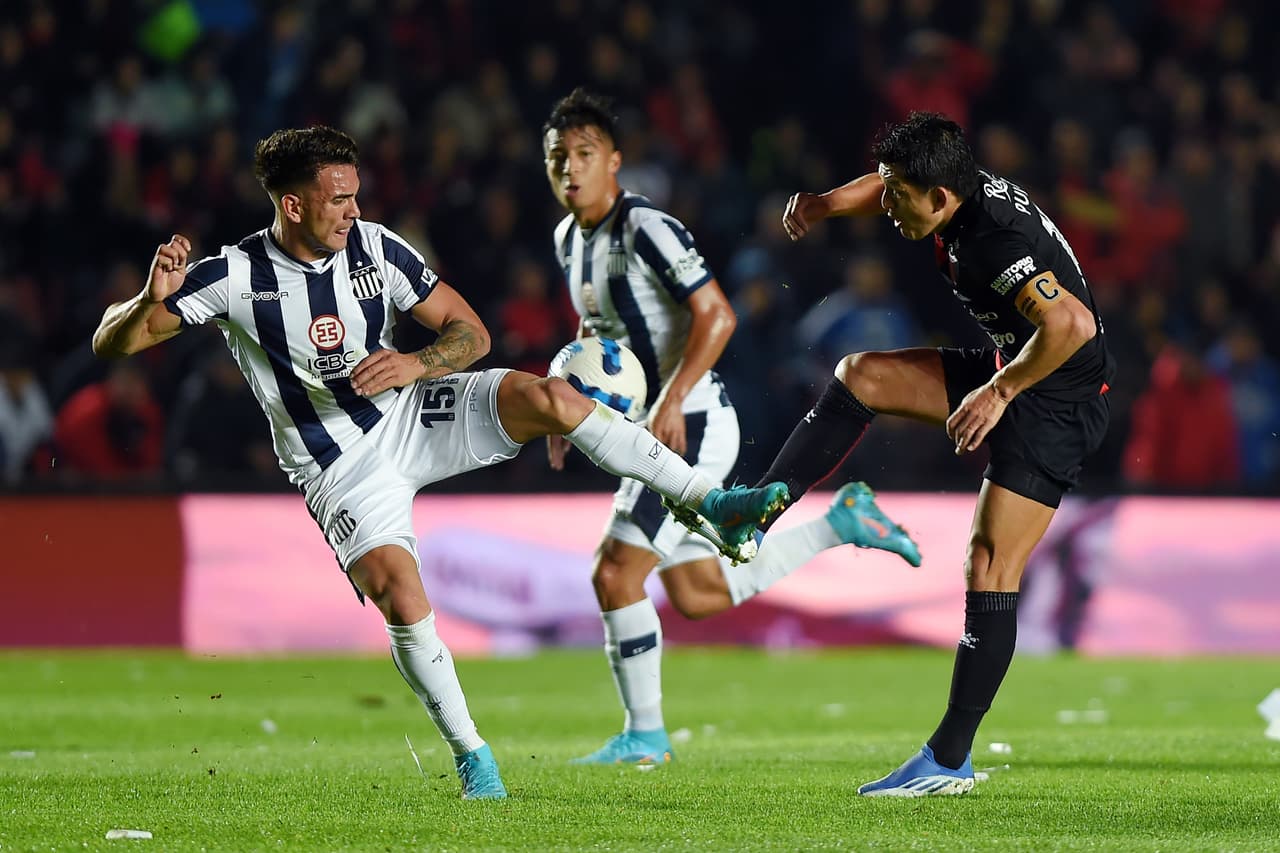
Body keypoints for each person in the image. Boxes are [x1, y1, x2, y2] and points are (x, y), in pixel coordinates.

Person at [90, 125, 786, 800]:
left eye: (356, 195)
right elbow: (111, 344)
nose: (354, 211)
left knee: (545, 394)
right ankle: (474, 757)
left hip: (412, 414)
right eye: (339, 199)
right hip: (338, 467)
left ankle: (711, 500)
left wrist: (415, 363)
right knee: (400, 590)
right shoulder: (236, 274)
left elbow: (473, 332)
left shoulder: (376, 249)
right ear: (293, 204)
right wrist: (145, 303)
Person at [723, 111, 1114, 795]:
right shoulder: (951, 190)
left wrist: (998, 391)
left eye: (899, 196)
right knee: (860, 374)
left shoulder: (994, 240)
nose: (890, 207)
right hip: (1014, 363)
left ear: (937, 198)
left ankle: (950, 759)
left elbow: (1073, 325)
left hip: (1056, 395)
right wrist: (824, 204)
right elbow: (883, 188)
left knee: (989, 563)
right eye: (888, 191)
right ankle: (757, 513)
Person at [542, 89, 921, 766]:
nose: (570, 168)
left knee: (615, 571)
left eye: (584, 154)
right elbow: (594, 331)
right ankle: (843, 522)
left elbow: (717, 314)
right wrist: (565, 406)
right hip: (650, 424)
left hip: (687, 421)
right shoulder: (569, 238)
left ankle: (645, 738)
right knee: (696, 592)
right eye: (558, 157)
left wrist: (672, 397)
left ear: (615, 162)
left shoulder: (646, 228)